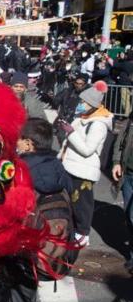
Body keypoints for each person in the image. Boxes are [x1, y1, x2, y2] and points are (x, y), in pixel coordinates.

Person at [0, 118, 72, 302]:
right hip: (37, 254)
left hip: (5, 250)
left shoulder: (14, 171)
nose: (15, 143)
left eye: (19, 139)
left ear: (28, 144)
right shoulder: (59, 170)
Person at [58, 81, 112, 247]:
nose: (80, 104)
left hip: (84, 171)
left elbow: (88, 150)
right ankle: (73, 231)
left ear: (92, 104)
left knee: (82, 204)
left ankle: (82, 234)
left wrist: (71, 133)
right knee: (70, 202)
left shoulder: (99, 124)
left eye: (83, 102)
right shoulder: (83, 118)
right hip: (71, 167)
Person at [111, 112, 133, 274]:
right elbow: (120, 141)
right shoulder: (130, 120)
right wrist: (116, 162)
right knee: (129, 216)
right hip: (128, 175)